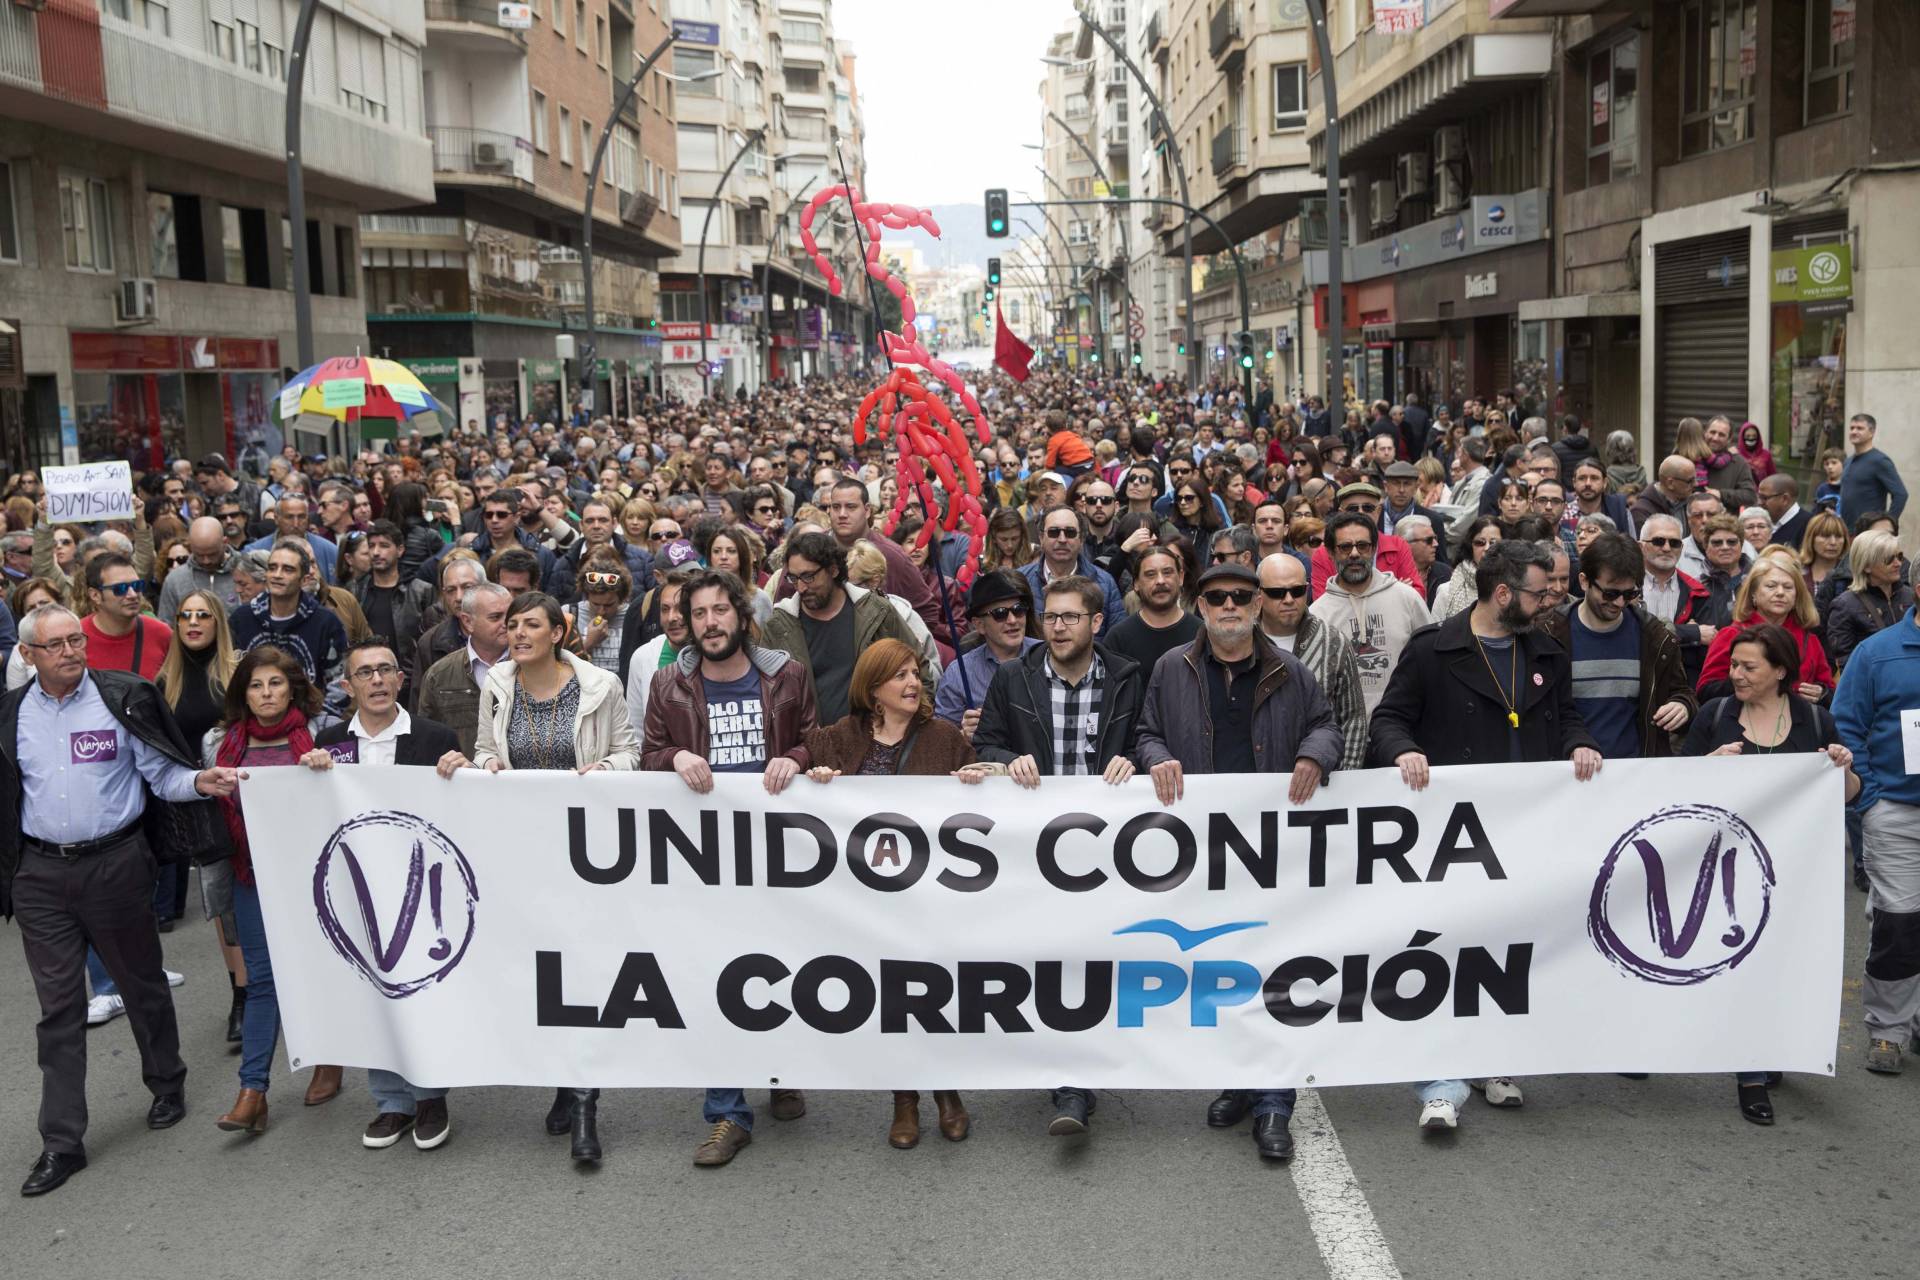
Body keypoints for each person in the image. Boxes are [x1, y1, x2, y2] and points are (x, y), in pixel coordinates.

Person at [2, 604, 240, 1196]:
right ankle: (62, 1142)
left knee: (140, 984)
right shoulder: (10, 714)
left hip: (115, 865)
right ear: (28, 655)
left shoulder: (122, 698)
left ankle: (166, 1082)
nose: (70, 652)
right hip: (39, 875)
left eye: (75, 641)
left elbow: (161, 775)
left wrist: (199, 782)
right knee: (59, 1010)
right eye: (54, 645)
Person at [1372, 539, 1602, 1131]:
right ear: (1504, 594)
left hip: (1525, 830)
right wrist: (1405, 752)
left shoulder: (1547, 651)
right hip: (1452, 833)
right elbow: (1389, 720)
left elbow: (1566, 715)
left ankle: (1496, 1057)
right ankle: (1439, 1083)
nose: (1551, 597)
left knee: (1505, 949)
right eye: (1539, 590)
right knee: (1444, 949)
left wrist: (1578, 741)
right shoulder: (1433, 651)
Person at [1133, 560, 1344, 1162]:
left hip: (1271, 852)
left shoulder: (1289, 669)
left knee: (1276, 972)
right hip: (1201, 851)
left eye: (1241, 597)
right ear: (1200, 607)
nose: (1229, 606)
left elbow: (1328, 725)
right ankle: (1240, 1081)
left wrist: (1313, 756)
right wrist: (1155, 758)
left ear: (1258, 607)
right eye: (1217, 597)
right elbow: (1147, 733)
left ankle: (1276, 1105)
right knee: (1223, 971)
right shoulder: (1172, 669)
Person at [436, 591, 640, 1164]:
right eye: (513, 625)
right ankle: (559, 1077)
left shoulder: (601, 687)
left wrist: (604, 769)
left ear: (558, 632)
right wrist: (485, 766)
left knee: (581, 971)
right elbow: (483, 750)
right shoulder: (497, 688)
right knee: (542, 972)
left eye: (531, 625)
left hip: (587, 854)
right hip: (521, 855)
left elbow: (631, 754)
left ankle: (583, 1103)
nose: (518, 634)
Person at [638, 569, 816, 1166]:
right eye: (699, 614)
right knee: (718, 978)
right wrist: (676, 755)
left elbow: (818, 740)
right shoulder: (669, 684)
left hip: (779, 856)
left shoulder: (785, 674)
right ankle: (725, 1114)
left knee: (779, 969)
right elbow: (648, 756)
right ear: (686, 623)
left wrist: (794, 756)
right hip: (703, 860)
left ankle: (777, 1070)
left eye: (720, 610)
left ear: (741, 616)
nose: (710, 623)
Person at [971, 574, 1143, 1139]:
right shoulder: (1012, 677)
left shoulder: (1126, 677)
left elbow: (1149, 739)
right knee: (1054, 962)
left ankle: (1089, 1066)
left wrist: (1137, 763)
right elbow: (986, 745)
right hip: (1038, 854)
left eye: (1072, 617)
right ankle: (1071, 1081)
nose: (1059, 627)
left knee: (1100, 960)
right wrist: (1006, 760)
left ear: (1097, 623)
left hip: (1108, 850)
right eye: (1052, 617)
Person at [802, 638, 980, 1149]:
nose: (912, 683)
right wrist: (818, 778)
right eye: (899, 675)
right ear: (873, 688)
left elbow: (984, 789)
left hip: (929, 894)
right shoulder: (840, 737)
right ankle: (904, 1099)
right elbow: (804, 770)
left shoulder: (943, 737)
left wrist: (976, 775)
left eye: (915, 673)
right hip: (867, 900)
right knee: (892, 998)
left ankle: (948, 1091)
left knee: (935, 991)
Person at [1683, 623, 1858, 1120]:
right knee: (1745, 963)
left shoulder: (1816, 721)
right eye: (1734, 665)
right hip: (1727, 871)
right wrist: (1708, 765)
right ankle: (1751, 1073)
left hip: (1796, 871)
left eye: (1748, 667)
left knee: (1786, 963)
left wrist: (1841, 766)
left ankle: (1772, 1044)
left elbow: (1849, 795)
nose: (1735, 674)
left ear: (1780, 672)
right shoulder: (1716, 715)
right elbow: (1676, 790)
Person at [299, 639, 461, 1151]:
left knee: (421, 989)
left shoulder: (434, 737)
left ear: (400, 679)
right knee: (371, 990)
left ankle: (431, 1095)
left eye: (385, 670)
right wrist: (310, 776)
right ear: (347, 686)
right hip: (357, 886)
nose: (376, 680)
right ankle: (392, 1101)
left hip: (421, 884)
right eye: (364, 673)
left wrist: (459, 771)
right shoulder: (330, 742)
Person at [208, 644, 345, 1132]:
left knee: (322, 969)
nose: (266, 693)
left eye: (275, 683)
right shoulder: (223, 744)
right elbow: (203, 791)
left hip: (314, 877)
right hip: (252, 876)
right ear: (243, 694)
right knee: (261, 981)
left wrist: (328, 769)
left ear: (293, 688)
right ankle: (253, 1092)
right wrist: (209, 783)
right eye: (256, 685)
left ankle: (330, 1056)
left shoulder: (321, 736)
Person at [1834, 600, 1920, 1076]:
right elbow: (1846, 724)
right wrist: (1869, 797)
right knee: (1899, 922)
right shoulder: (1877, 653)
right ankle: (1888, 1029)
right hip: (1897, 813)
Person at [1539, 533, 1695, 761]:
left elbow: (1682, 691)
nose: (1619, 603)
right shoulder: (1549, 634)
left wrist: (1682, 706)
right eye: (1610, 593)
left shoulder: (1654, 636)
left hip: (1634, 774)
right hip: (1566, 774)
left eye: (1630, 593)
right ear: (1584, 581)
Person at [761, 531, 923, 727]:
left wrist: (910, 729)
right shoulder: (779, 626)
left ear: (833, 570)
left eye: (809, 577)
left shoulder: (876, 611)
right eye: (794, 579)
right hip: (811, 748)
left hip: (881, 740)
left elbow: (919, 666)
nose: (801, 587)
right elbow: (765, 695)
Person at [1309, 512, 1433, 716]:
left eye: (1363, 546)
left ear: (1374, 549)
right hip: (1343, 733)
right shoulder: (1317, 614)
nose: (1355, 553)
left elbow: (1430, 660)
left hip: (1404, 725)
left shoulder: (1407, 599)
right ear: (1331, 552)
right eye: (1345, 547)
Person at [1259, 552, 1367, 770]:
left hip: (1325, 783)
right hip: (1259, 784)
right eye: (1277, 593)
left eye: (1297, 591)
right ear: (1258, 595)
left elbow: (1353, 719)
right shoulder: (1244, 642)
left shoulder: (1334, 642)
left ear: (1307, 590)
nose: (1289, 599)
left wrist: (1347, 780)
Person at [1695, 556, 1834, 703]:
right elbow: (1705, 691)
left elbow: (1832, 692)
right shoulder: (1731, 635)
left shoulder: (1810, 640)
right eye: (1771, 586)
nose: (1780, 592)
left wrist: (1821, 693)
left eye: (1788, 587)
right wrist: (1745, 680)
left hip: (1798, 722)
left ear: (1796, 597)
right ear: (1753, 594)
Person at [932, 570, 1040, 738]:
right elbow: (940, 739)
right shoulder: (959, 674)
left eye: (1018, 610)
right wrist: (962, 735)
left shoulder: (1047, 656)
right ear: (979, 625)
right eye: (1000, 613)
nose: (1012, 620)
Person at [227, 539, 349, 686]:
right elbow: (228, 677)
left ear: (304, 580)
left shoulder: (325, 622)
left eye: (288, 569)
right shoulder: (241, 619)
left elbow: (339, 683)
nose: (277, 575)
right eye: (272, 568)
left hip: (310, 707)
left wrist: (322, 710)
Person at [350, 521, 436, 677]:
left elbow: (432, 641)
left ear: (400, 550)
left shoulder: (420, 591)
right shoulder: (356, 590)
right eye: (371, 546)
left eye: (384, 545)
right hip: (367, 677)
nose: (376, 552)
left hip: (409, 679)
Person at [1637, 514, 1715, 682]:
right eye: (1658, 541)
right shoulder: (1625, 587)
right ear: (1641, 546)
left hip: (1680, 683)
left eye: (1674, 543)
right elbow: (1633, 635)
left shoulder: (1698, 591)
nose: (1666, 548)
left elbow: (1703, 650)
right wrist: (1691, 633)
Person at [1103, 542, 1201, 674]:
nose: (1160, 581)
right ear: (1136, 583)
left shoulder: (1201, 633)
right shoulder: (1118, 638)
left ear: (1181, 577)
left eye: (1167, 572)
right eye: (1150, 574)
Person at [623, 566, 698, 733]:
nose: (672, 617)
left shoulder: (716, 655)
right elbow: (636, 731)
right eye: (665, 609)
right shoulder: (643, 657)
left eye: (680, 608)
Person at [1827, 531, 1912, 673]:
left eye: (1900, 556)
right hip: (1875, 687)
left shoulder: (1912, 597)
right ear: (1866, 565)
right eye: (1889, 559)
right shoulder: (1845, 605)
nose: (1898, 563)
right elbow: (1847, 664)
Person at [81, 552, 171, 681]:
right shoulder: (75, 638)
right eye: (120, 588)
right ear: (95, 595)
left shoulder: (161, 634)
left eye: (137, 586)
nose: (133, 594)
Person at [158, 517, 243, 623]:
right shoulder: (175, 580)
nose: (206, 561)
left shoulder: (245, 572)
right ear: (190, 546)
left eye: (212, 554)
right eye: (199, 554)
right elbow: (167, 625)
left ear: (225, 542)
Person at [244, 493, 338, 584]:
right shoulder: (253, 552)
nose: (296, 524)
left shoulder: (329, 551)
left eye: (301, 517)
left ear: (308, 519)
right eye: (289, 517)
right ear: (276, 519)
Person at [1841, 413, 1907, 524]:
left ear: (1871, 432)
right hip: (1846, 531)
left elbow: (1901, 494)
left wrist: (1888, 523)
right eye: (1852, 428)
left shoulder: (1880, 461)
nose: (1854, 432)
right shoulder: (1848, 461)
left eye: (1860, 428)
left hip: (1869, 532)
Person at [1698, 417, 1758, 511]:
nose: (1715, 438)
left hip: (1724, 523)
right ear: (1705, 433)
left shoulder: (1739, 463)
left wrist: (1721, 494)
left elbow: (1750, 496)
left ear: (1729, 439)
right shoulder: (1692, 456)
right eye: (1712, 432)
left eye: (1721, 435)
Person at [1760, 474, 1811, 550]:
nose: (1760, 502)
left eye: (1764, 498)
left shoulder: (1809, 526)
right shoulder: (1762, 520)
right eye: (1759, 497)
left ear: (1785, 499)